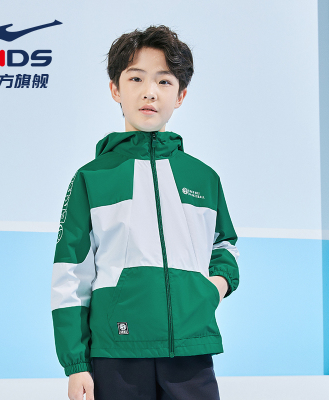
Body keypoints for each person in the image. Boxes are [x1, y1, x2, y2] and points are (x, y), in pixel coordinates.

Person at [51, 25, 240, 400]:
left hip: (191, 350)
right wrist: (76, 365)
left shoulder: (204, 178)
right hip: (116, 355)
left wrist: (212, 289)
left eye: (164, 81)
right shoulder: (92, 178)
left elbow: (225, 247)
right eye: (136, 78)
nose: (149, 91)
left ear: (180, 95)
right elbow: (70, 275)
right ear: (115, 89)